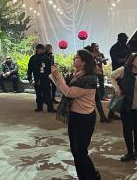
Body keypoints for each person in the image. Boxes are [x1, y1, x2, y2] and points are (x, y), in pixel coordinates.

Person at [50, 50, 101, 180]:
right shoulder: (77, 75)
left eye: (77, 58)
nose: (74, 59)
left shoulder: (89, 79)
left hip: (84, 117)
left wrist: (59, 76)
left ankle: (93, 176)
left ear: (84, 62)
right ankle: (82, 176)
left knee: (81, 152)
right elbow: (63, 89)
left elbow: (69, 93)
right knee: (75, 150)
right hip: (74, 114)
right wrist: (55, 77)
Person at [110, 53, 137, 162]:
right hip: (126, 106)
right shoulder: (123, 70)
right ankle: (130, 152)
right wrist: (117, 88)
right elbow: (111, 76)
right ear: (132, 61)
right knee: (127, 130)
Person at [27, 44, 55, 112]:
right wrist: (30, 78)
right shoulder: (33, 58)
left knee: (47, 94)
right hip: (37, 78)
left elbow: (49, 68)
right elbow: (30, 69)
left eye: (43, 49)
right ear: (37, 49)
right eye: (41, 49)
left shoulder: (46, 58)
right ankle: (39, 107)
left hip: (45, 78)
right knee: (38, 93)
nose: (42, 50)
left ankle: (50, 108)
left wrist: (49, 76)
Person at [85, 44, 109, 122]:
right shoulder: (88, 60)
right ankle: (101, 117)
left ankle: (102, 117)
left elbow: (100, 67)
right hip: (88, 82)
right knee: (93, 100)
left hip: (91, 81)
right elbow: (96, 70)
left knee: (96, 99)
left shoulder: (94, 57)